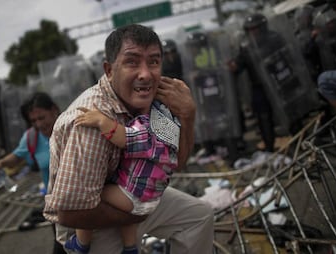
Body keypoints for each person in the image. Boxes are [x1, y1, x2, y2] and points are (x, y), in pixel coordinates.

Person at [43, 24, 214, 254]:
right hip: (88, 222)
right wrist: (137, 212)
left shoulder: (153, 103)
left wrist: (188, 115)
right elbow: (71, 212)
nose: (145, 74)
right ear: (109, 70)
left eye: (153, 62)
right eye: (132, 61)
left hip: (132, 193)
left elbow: (173, 163)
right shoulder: (90, 122)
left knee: (199, 217)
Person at [64, 99, 180, 254]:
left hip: (132, 197)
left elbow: (126, 138)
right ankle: (130, 247)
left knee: (87, 196)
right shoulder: (170, 130)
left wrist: (101, 120)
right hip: (151, 198)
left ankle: (81, 243)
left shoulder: (146, 127)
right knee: (128, 214)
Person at [0, 92, 66, 254]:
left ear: (54, 110)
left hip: (86, 203)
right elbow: (16, 156)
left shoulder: (72, 128)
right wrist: (0, 163)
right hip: (57, 208)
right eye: (33, 121)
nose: (38, 124)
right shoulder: (32, 137)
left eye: (42, 118)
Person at [228, 13, 281, 152]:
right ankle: (269, 147)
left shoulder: (275, 39)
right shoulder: (246, 47)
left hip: (279, 82)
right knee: (263, 117)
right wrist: (232, 66)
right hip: (259, 86)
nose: (254, 32)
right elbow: (239, 65)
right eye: (250, 29)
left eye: (256, 28)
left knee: (288, 112)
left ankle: (299, 137)